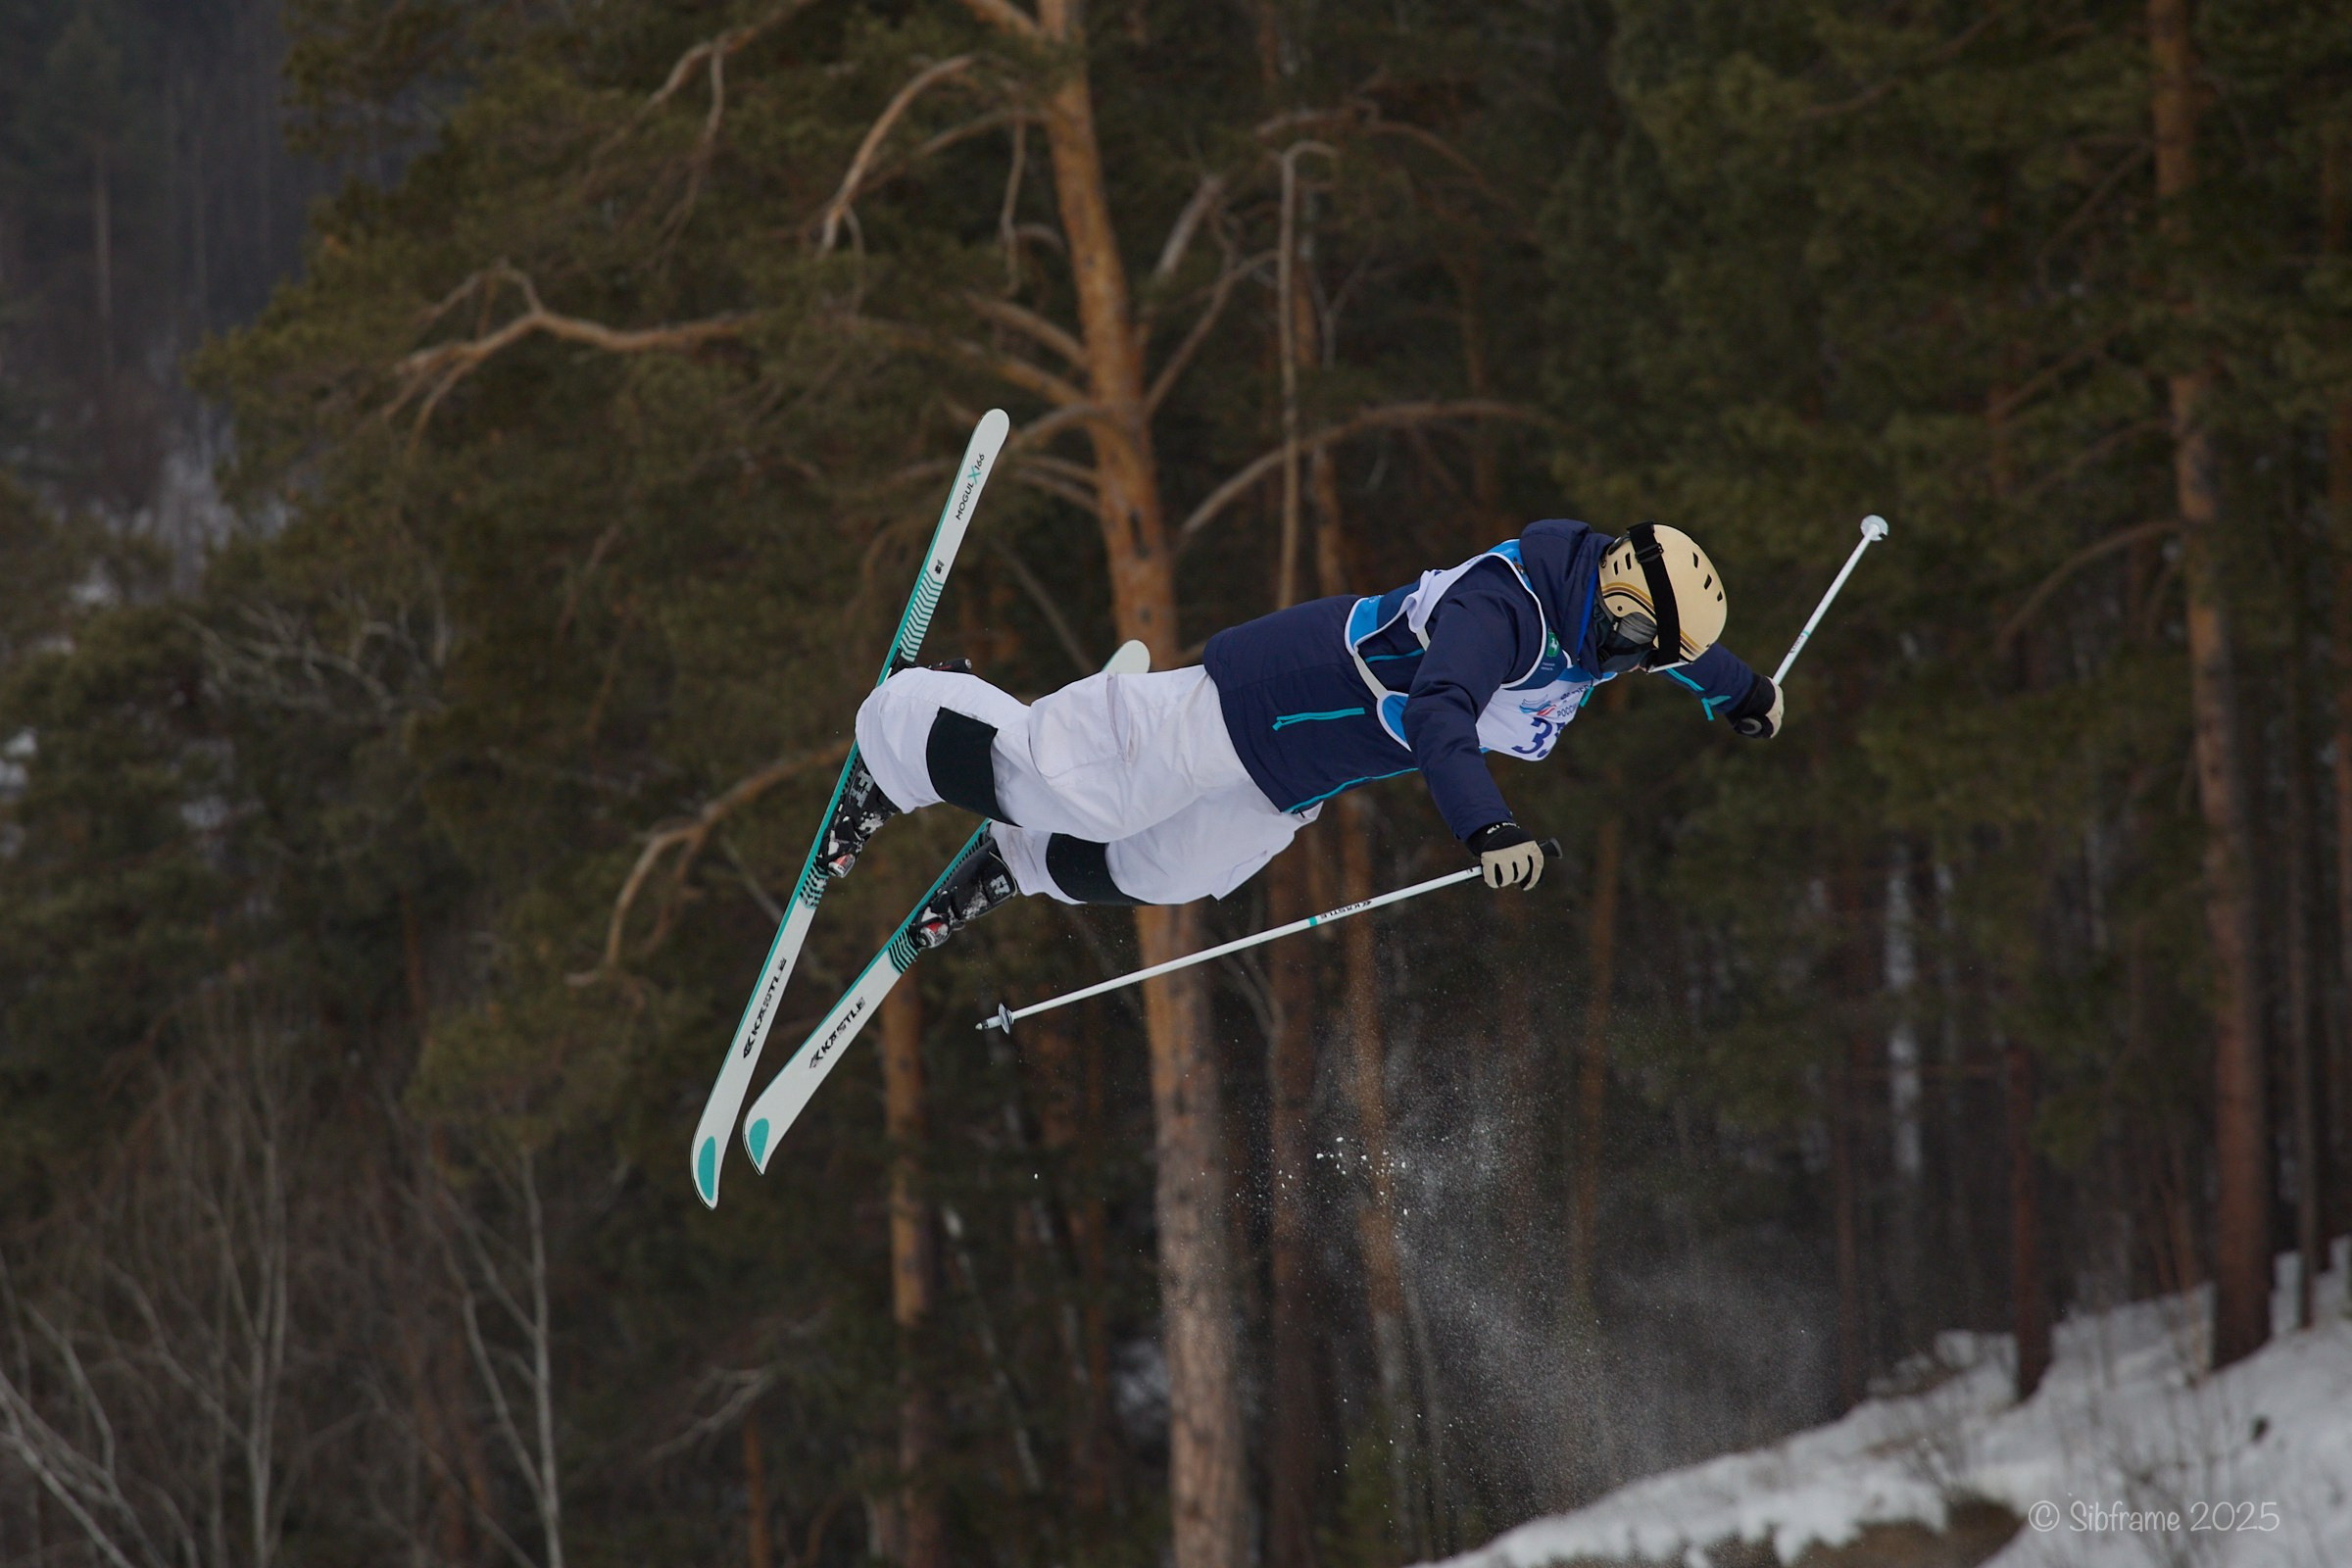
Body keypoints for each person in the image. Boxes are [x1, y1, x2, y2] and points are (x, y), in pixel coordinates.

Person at [822, 519, 1783, 947]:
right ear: (1619, 613)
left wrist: (1740, 690)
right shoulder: (1505, 611)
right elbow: (1441, 711)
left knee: (1172, 867)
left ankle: (1015, 857)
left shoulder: (1589, 625)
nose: (1638, 666)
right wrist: (1488, 826)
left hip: (1301, 767)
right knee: (1084, 783)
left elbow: (1680, 656)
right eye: (1642, 649)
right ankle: (904, 724)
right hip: (1268, 698)